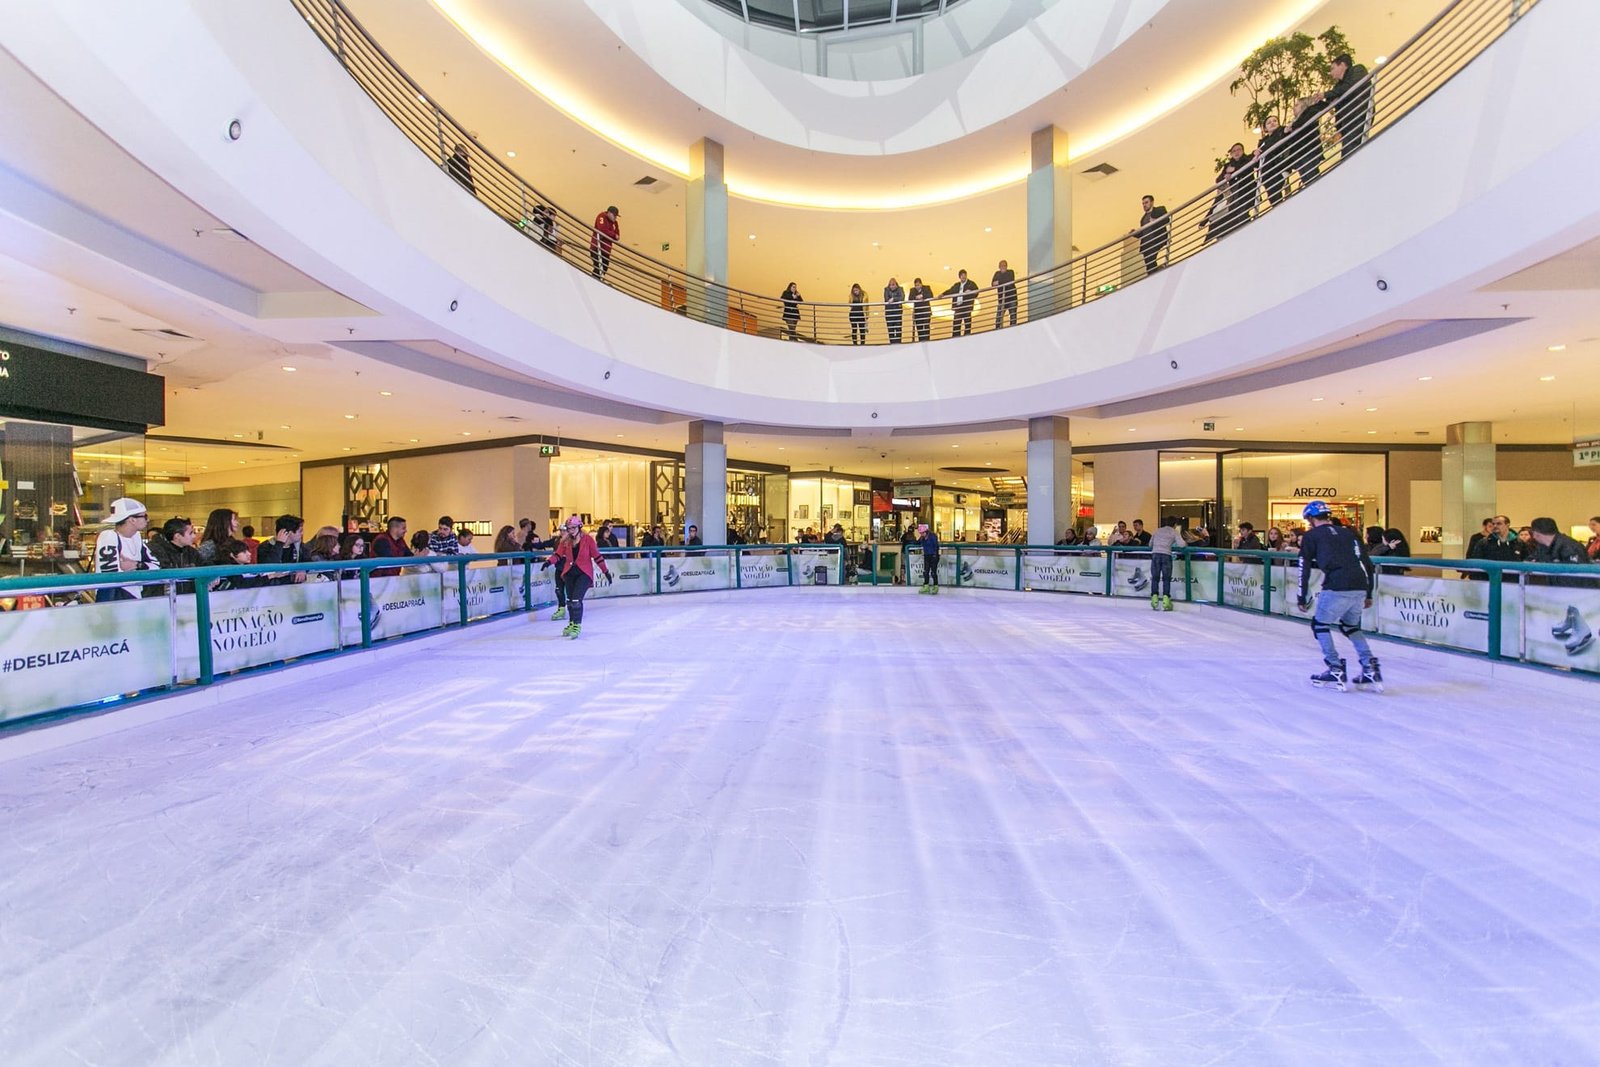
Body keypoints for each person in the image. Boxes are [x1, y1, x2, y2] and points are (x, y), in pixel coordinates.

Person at [1296, 499, 1380, 692]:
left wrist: (1302, 596)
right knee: (1350, 626)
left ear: (1310, 518)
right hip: (1359, 585)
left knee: (1320, 624)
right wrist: (1368, 592)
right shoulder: (1349, 533)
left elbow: (1304, 566)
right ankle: (1369, 666)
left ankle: (1334, 667)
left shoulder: (1311, 536)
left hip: (1336, 585)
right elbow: (1366, 563)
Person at [553, 516, 612, 639]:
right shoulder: (565, 541)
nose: (571, 530)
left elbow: (597, 557)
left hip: (584, 574)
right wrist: (549, 562)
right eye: (569, 528)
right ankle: (571, 622)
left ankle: (577, 625)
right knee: (569, 600)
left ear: (579, 527)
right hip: (569, 573)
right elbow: (558, 554)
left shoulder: (588, 540)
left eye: (573, 527)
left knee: (576, 600)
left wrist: (605, 571)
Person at [93, 497, 158, 601]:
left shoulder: (136, 537)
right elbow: (112, 575)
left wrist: (136, 565)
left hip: (134, 596)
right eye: (145, 516)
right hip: (114, 599)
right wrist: (140, 570)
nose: (148, 519)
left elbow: (156, 566)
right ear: (132, 519)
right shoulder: (108, 537)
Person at [1321, 53, 1373, 156]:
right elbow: (1332, 103)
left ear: (1342, 65)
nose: (1331, 73)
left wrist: (1325, 94)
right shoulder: (1338, 86)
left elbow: (1350, 86)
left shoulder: (1358, 70)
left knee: (1351, 151)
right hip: (1348, 121)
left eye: (1332, 68)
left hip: (1358, 114)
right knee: (1348, 150)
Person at [256, 514, 308, 583]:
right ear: (288, 533)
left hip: (293, 587)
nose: (302, 534)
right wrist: (279, 544)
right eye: (300, 531)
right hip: (272, 589)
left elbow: (309, 561)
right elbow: (270, 567)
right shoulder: (265, 547)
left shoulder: (299, 547)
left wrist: (302, 569)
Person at [1148, 515, 1184, 611]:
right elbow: (1181, 545)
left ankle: (1154, 599)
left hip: (1155, 554)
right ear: (1175, 524)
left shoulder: (1157, 530)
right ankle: (1166, 600)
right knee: (1166, 578)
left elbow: (1150, 544)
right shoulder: (1174, 532)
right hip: (1166, 555)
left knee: (1155, 577)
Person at [1255, 115, 1291, 206]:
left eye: (1275, 121)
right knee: (1273, 196)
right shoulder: (1263, 142)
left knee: (1275, 192)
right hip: (1267, 173)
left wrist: (1261, 151)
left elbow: (1276, 144)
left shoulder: (1282, 131)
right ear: (1265, 128)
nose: (1272, 123)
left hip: (1278, 169)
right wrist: (1254, 153)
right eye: (1269, 122)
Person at [1132, 195, 1169, 275]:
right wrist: (1134, 233)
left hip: (1156, 240)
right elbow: (1143, 233)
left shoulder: (1159, 210)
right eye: (1143, 203)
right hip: (1146, 244)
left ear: (1152, 202)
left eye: (1146, 202)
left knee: (1151, 259)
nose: (1144, 205)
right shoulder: (1143, 218)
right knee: (1149, 264)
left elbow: (1167, 219)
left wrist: (1156, 221)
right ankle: (1155, 275)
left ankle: (1156, 274)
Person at [942, 269, 978, 337]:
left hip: (966, 307)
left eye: (964, 275)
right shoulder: (957, 285)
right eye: (962, 275)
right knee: (956, 325)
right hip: (958, 307)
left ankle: (967, 337)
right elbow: (950, 291)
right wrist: (943, 294)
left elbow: (977, 292)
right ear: (959, 277)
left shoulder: (971, 284)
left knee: (967, 323)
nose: (963, 277)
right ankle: (956, 338)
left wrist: (971, 291)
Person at [590, 204, 620, 280]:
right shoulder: (602, 216)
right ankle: (594, 281)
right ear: (609, 213)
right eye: (614, 215)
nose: (615, 218)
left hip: (606, 250)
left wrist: (616, 225)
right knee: (598, 266)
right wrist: (613, 235)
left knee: (604, 267)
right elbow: (602, 230)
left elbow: (617, 237)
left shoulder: (613, 223)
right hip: (598, 247)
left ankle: (596, 280)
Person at [991, 260, 1017, 329]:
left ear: (1007, 266)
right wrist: (1002, 281)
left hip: (1012, 298)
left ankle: (1013, 330)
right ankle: (998, 330)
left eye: (1004, 265)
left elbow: (1010, 281)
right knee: (998, 318)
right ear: (999, 267)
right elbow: (993, 284)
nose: (1003, 267)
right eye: (1001, 266)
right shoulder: (997, 273)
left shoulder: (1010, 272)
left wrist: (999, 281)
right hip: (1001, 299)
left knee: (1013, 316)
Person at [917, 522, 941, 595]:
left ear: (926, 532)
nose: (921, 534)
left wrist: (935, 555)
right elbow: (917, 542)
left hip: (934, 556)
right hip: (926, 555)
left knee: (933, 572)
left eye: (922, 533)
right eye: (920, 533)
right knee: (925, 571)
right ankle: (926, 585)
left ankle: (935, 586)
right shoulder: (922, 538)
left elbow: (936, 546)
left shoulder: (933, 536)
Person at [908, 278, 934, 342]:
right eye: (916, 285)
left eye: (918, 285)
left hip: (926, 311)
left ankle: (927, 340)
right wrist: (916, 297)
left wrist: (922, 296)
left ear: (921, 284)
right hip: (917, 312)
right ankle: (921, 341)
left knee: (926, 327)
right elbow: (910, 298)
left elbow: (931, 295)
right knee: (919, 329)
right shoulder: (912, 290)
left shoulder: (927, 288)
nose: (917, 287)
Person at [883, 277, 905, 343]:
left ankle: (898, 343)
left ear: (896, 284)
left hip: (897, 313)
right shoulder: (886, 290)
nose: (892, 286)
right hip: (889, 314)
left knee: (898, 330)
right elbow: (887, 299)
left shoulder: (900, 289)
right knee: (890, 331)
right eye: (890, 285)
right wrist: (895, 299)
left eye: (893, 284)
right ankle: (892, 343)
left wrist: (894, 299)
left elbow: (902, 298)